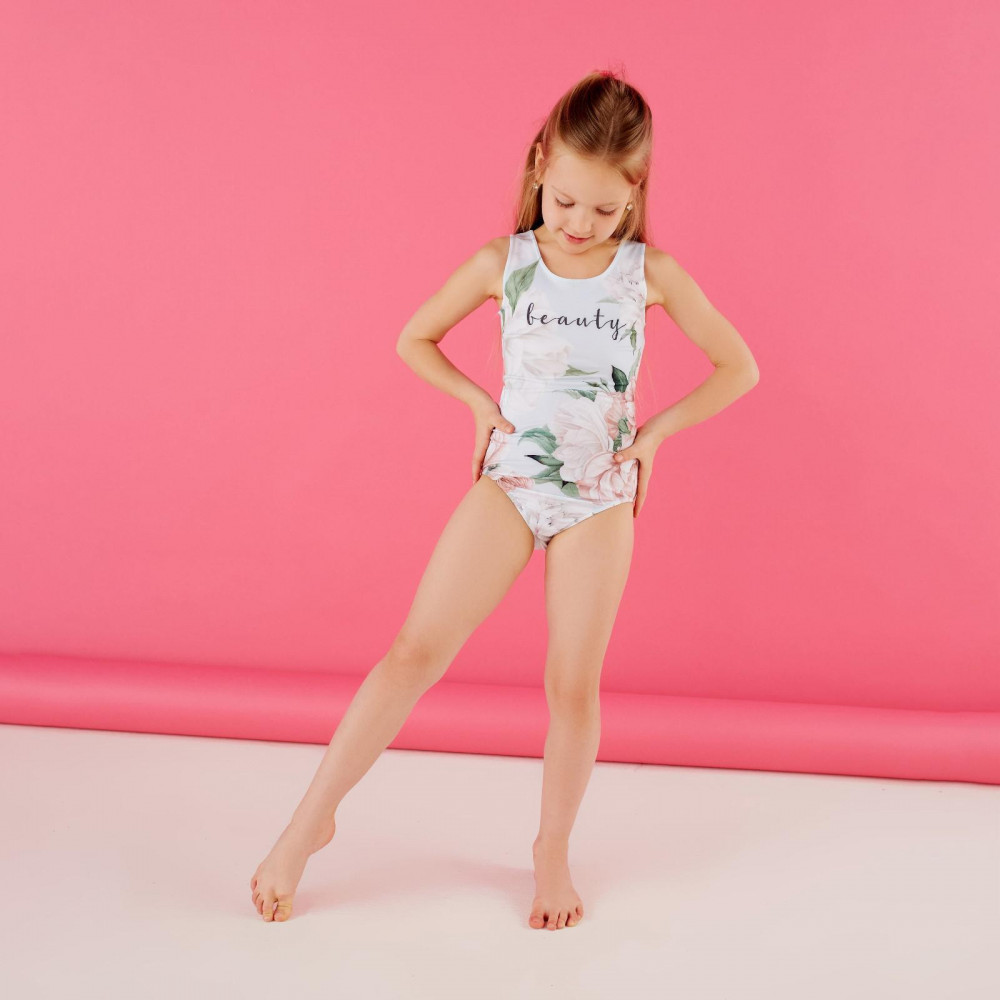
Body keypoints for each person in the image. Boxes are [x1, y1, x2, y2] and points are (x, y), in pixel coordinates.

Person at [250, 69, 759, 929]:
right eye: (565, 201)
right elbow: (414, 338)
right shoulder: (505, 263)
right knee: (413, 652)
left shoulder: (650, 273)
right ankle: (309, 824)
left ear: (637, 192)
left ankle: (550, 850)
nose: (580, 223)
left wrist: (655, 437)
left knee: (573, 687)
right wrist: (478, 405)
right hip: (515, 478)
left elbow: (739, 367)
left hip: (599, 494)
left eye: (605, 209)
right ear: (539, 167)